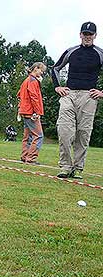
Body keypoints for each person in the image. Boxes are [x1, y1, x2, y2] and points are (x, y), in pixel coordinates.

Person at [52, 21, 103, 179]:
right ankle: (65, 167)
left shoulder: (100, 53)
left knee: (83, 133)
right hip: (69, 94)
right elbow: (55, 68)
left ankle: (78, 168)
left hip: (89, 97)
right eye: (85, 34)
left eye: (90, 34)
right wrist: (57, 86)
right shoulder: (71, 51)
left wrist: (102, 92)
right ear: (80, 34)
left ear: (95, 35)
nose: (87, 37)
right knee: (65, 130)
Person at [17, 62, 47, 164]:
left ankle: (24, 156)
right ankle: (31, 158)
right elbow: (34, 97)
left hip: (24, 111)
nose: (42, 73)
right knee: (38, 135)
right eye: (41, 71)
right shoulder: (33, 81)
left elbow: (19, 94)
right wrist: (37, 112)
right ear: (36, 68)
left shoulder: (26, 80)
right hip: (31, 112)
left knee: (28, 136)